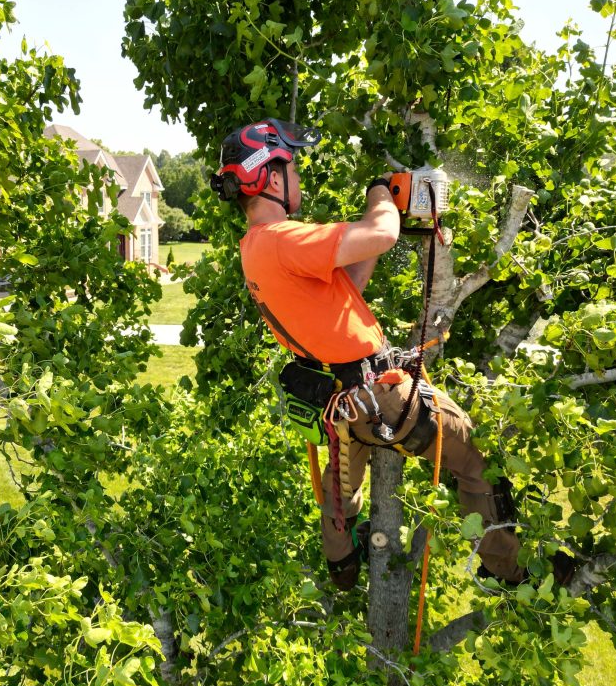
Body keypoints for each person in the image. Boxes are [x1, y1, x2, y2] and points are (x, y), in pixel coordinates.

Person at [209, 118, 534, 591]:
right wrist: (380, 193)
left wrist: (379, 229)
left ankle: (341, 568)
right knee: (474, 459)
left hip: (340, 397)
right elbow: (380, 233)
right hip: (379, 396)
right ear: (272, 178)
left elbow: (348, 287)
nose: (297, 178)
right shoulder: (284, 238)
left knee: (339, 492)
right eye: (293, 168)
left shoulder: (256, 248)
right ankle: (509, 570)